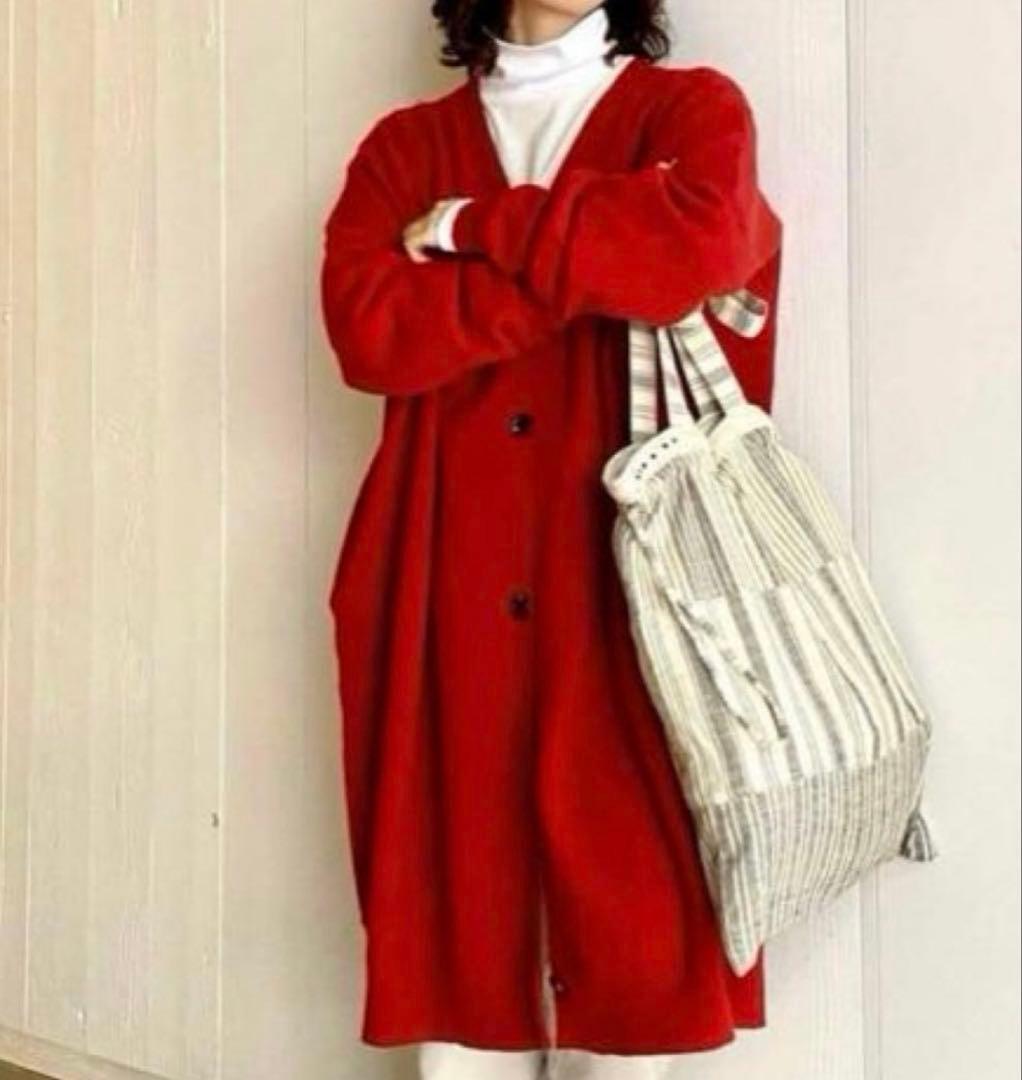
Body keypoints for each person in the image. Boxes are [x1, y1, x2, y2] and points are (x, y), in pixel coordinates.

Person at [319, 1, 783, 1076]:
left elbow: (703, 243)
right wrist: (595, 268)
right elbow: (370, 331)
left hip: (640, 591)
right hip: (443, 581)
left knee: (635, 947)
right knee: (460, 953)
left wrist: (471, 231)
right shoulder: (402, 150)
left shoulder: (688, 114)